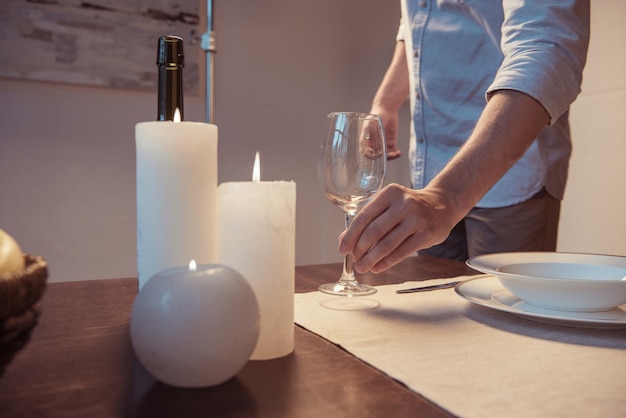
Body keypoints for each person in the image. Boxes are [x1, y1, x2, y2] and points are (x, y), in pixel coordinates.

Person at [338, 0, 590, 274]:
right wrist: (386, 102)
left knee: (504, 308)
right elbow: (417, 19)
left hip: (509, 172)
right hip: (432, 171)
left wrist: (445, 197)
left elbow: (546, 49)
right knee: (437, 308)